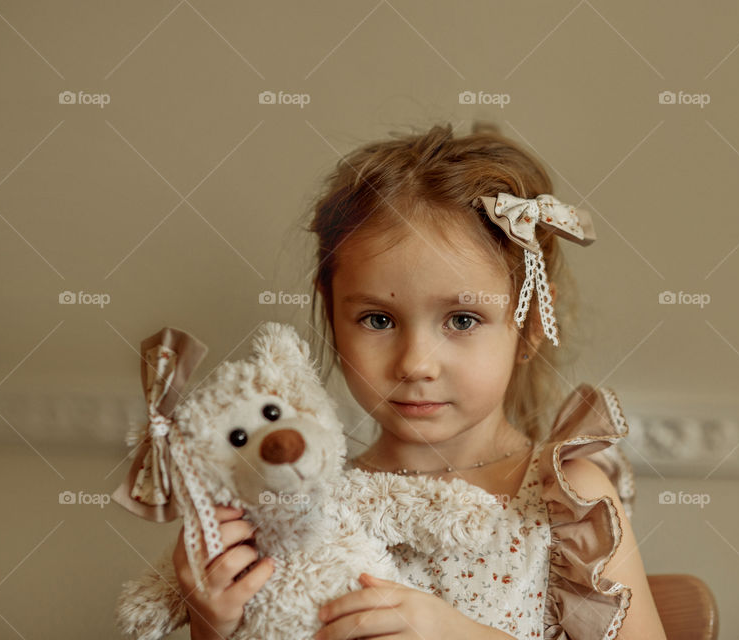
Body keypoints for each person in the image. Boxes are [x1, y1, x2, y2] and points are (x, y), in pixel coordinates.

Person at [172, 122, 667, 640]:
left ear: (532, 326)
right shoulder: (301, 504)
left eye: (462, 320)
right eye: (378, 320)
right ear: (332, 314)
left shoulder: (566, 499)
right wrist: (214, 624)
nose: (415, 364)